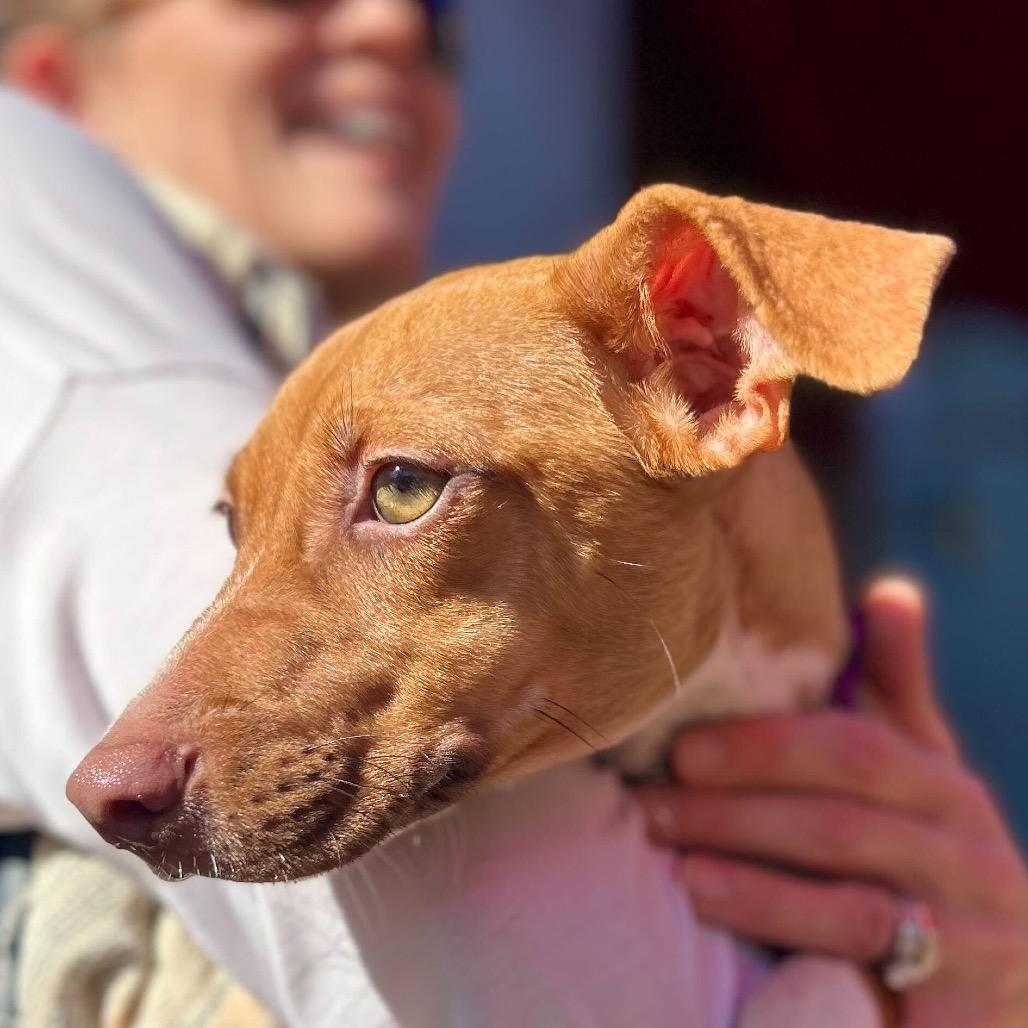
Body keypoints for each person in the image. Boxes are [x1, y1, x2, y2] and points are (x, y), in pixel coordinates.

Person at [0, 2, 1025, 1025]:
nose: (391, 23)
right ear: (49, 89)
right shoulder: (55, 292)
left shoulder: (550, 361)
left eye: (402, 485)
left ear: (711, 376)